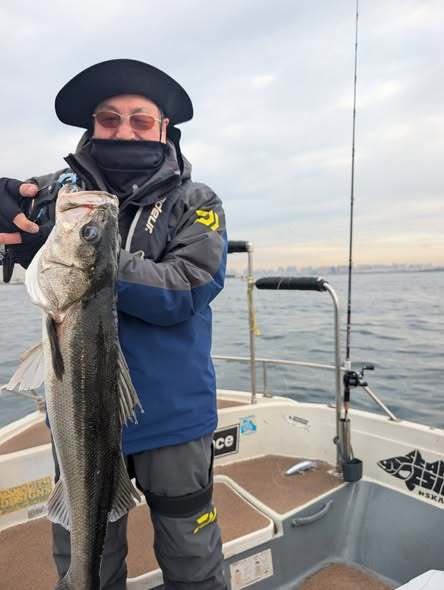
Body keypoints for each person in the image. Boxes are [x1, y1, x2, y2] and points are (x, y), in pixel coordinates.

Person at [0, 59, 228, 590]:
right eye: (109, 119)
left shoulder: (197, 201)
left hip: (174, 416)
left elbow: (188, 286)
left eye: (140, 120)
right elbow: (15, 216)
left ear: (164, 129)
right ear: (93, 127)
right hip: (79, 417)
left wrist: (91, 256)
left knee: (192, 555)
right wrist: (6, 208)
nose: (124, 131)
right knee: (85, 559)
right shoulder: (60, 195)